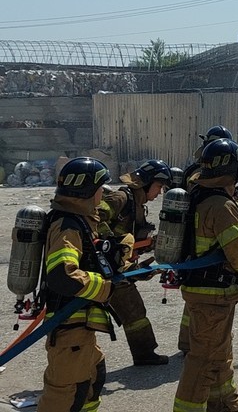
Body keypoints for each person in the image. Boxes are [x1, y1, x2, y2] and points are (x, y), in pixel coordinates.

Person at [173, 138, 238, 412]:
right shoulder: (220, 206)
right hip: (213, 293)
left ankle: (223, 402)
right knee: (203, 360)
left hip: (204, 290)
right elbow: (237, 250)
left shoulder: (198, 194)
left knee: (219, 353)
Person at [38, 157, 125, 412]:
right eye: (101, 187)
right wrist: (105, 287)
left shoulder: (79, 220)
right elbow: (62, 275)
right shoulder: (67, 226)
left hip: (79, 329)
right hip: (68, 329)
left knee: (92, 380)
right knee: (64, 398)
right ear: (87, 190)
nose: (103, 193)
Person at [98, 159, 172, 366]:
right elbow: (94, 217)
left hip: (118, 268)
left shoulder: (138, 205)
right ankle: (144, 354)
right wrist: (110, 245)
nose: (159, 193)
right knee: (133, 312)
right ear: (146, 183)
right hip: (104, 270)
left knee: (134, 312)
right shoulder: (121, 197)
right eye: (158, 187)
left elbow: (129, 239)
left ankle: (144, 353)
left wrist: (151, 244)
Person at [177, 125, 234, 355]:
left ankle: (188, 343)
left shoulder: (197, 168)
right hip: (202, 238)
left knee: (194, 297)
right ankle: (197, 344)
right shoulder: (200, 173)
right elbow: (211, 201)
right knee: (203, 293)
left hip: (191, 237)